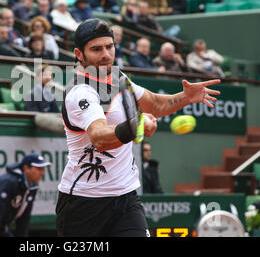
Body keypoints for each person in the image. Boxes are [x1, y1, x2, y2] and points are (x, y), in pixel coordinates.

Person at [56, 18, 221, 237]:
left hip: (126, 199)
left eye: (109, 46)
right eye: (96, 49)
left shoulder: (118, 78)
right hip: (83, 205)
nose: (105, 54)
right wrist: (136, 127)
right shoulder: (80, 92)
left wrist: (186, 97)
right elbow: (99, 136)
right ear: (79, 54)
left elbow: (155, 104)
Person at [0, 153, 51, 237]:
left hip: (0, 224)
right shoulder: (9, 182)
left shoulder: (32, 187)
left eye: (43, 169)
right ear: (26, 168)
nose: (42, 173)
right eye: (39, 169)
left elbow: (24, 219)